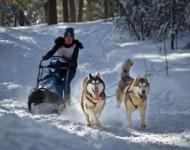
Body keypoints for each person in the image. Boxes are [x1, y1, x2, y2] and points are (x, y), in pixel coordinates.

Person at [42, 27, 83, 105]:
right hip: (60, 66)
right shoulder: (59, 43)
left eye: (70, 37)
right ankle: (59, 101)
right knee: (55, 81)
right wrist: (46, 56)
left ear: (73, 38)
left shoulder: (75, 46)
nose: (68, 39)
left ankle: (67, 103)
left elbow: (74, 61)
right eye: (67, 37)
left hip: (71, 68)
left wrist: (67, 59)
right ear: (64, 37)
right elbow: (52, 52)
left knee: (66, 83)